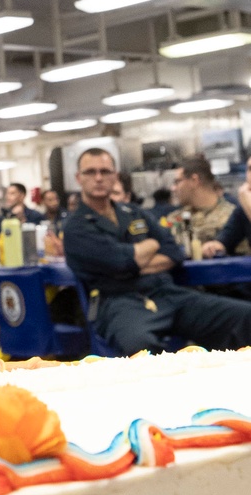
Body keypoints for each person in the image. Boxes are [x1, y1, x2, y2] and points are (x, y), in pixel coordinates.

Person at [63, 148, 251, 355]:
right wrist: (150, 246)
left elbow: (174, 252)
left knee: (244, 316)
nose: (98, 178)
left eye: (105, 172)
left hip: (166, 293)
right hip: (119, 303)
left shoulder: (133, 213)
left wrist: (132, 261)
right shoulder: (75, 227)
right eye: (90, 172)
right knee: (140, 347)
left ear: (115, 176)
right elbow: (120, 261)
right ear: (78, 178)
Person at [167, 155, 238, 247]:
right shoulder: (175, 219)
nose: (173, 188)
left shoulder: (232, 218)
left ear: (194, 180)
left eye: (177, 182)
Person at [203, 158, 251, 259]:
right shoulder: (242, 209)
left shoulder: (247, 204)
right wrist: (213, 246)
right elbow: (226, 238)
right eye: (250, 169)